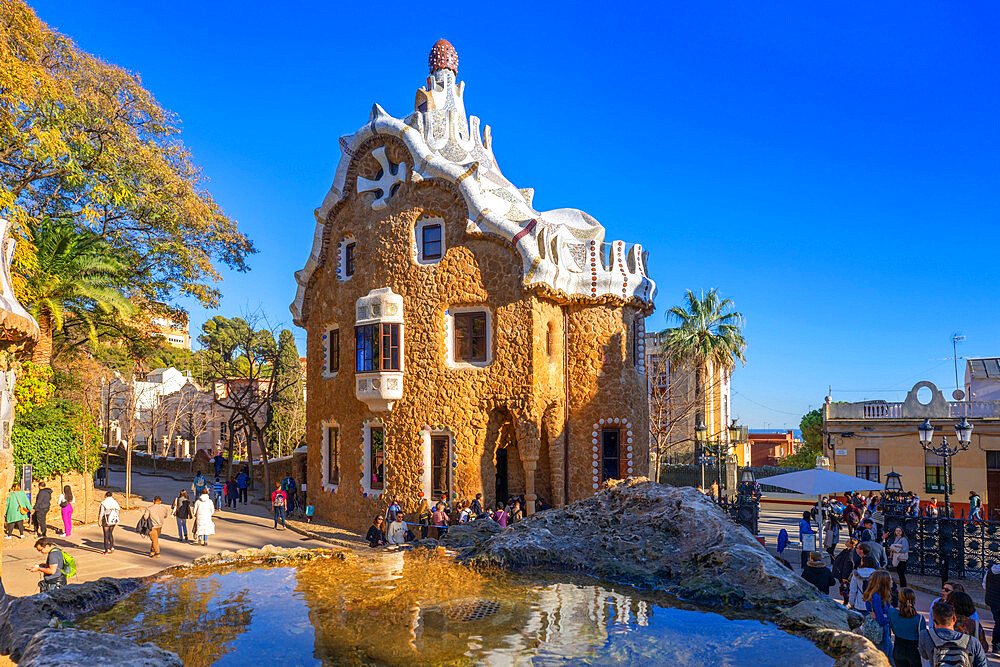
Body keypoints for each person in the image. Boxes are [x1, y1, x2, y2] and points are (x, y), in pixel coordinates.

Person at [919, 601, 988, 667]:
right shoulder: (972, 641)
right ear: (954, 619)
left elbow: (925, 656)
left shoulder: (925, 635)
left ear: (934, 619)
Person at [889, 587, 926, 667]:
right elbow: (923, 636)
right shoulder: (919, 618)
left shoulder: (891, 613)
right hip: (914, 651)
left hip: (898, 648)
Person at [863, 570, 894, 659]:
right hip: (880, 631)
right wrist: (889, 616)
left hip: (880, 631)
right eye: (890, 580)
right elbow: (881, 620)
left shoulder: (878, 595)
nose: (892, 582)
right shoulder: (876, 597)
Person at [831, 539, 857, 605]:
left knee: (846, 588)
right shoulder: (846, 550)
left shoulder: (850, 553)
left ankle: (847, 602)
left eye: (848, 541)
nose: (846, 542)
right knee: (844, 588)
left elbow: (848, 565)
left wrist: (845, 577)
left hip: (844, 574)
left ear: (851, 544)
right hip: (841, 572)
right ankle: (847, 601)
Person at [982, 561, 1000, 653]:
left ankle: (996, 646)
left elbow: (984, 585)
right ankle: (996, 646)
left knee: (998, 623)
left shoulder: (990, 571)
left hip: (992, 601)